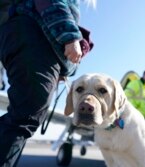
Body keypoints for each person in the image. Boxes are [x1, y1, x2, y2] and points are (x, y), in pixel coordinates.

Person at [0, 0, 95, 166]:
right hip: (30, 32)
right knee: (25, 116)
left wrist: (61, 68)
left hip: (28, 36)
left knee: (26, 117)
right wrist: (70, 35)